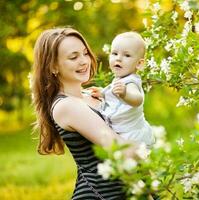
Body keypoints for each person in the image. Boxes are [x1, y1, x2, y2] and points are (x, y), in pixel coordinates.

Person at [31, 27, 138, 200]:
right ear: (53, 66)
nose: (84, 61)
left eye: (85, 53)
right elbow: (120, 149)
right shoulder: (67, 106)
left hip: (127, 189)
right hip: (102, 194)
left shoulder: (91, 95)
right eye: (73, 57)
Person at [89, 32, 155, 148]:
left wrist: (125, 94)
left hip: (132, 136)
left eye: (127, 55)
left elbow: (137, 99)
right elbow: (113, 93)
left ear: (139, 64)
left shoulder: (131, 83)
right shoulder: (120, 78)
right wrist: (103, 93)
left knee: (133, 163)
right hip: (121, 132)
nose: (118, 58)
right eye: (114, 53)